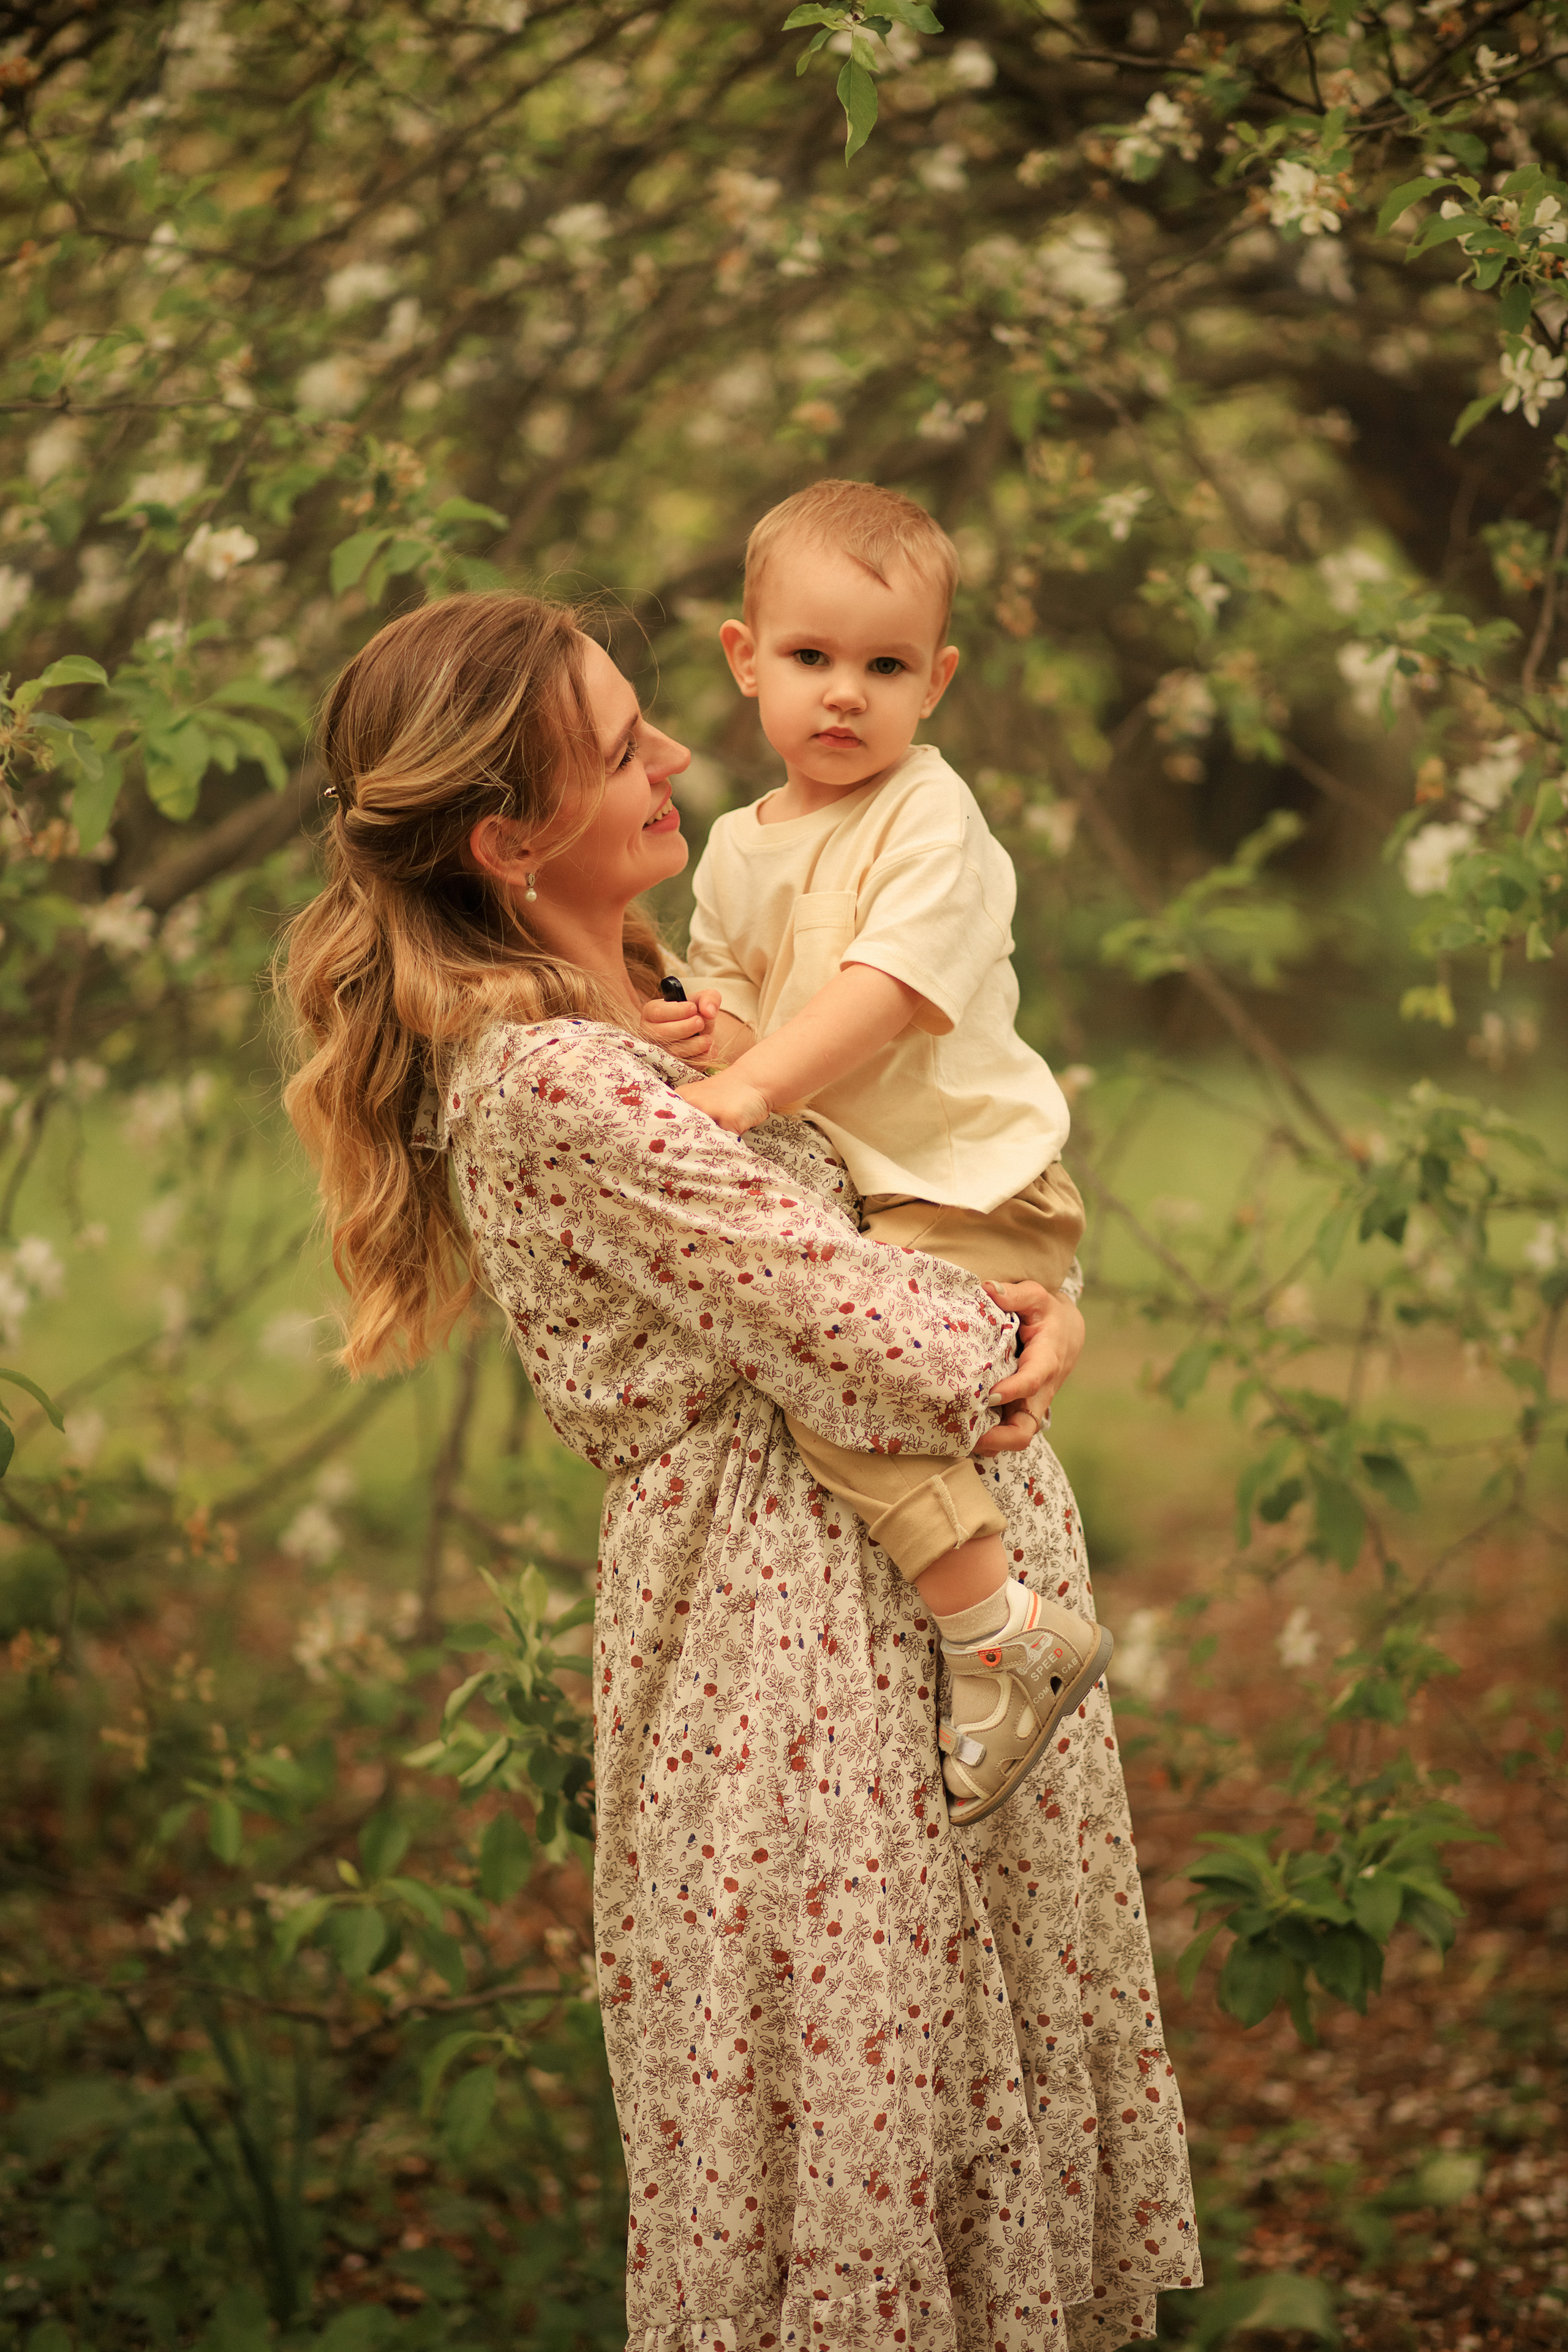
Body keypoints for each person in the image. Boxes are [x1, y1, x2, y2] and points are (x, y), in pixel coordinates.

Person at [281, 591, 1199, 2350]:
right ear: (507, 837)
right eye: (624, 748)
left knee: (975, 2106)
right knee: (863, 2148)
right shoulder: (553, 1084)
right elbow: (877, 1329)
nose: (681, 758)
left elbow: (900, 1206)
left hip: (908, 1633)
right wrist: (1017, 1331)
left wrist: (1043, 1305)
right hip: (797, 1677)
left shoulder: (662, 1006)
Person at [643, 480, 1107, 1826]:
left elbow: (889, 987)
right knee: (829, 1359)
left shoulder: (929, 818)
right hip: (875, 1192)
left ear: (935, 683)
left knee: (840, 1366)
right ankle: (987, 1623)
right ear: (745, 660)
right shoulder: (733, 842)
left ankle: (994, 1631)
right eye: (810, 658)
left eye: (883, 666)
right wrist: (695, 1028)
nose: (843, 694)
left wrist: (749, 1089)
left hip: (967, 1183)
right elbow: (735, 997)